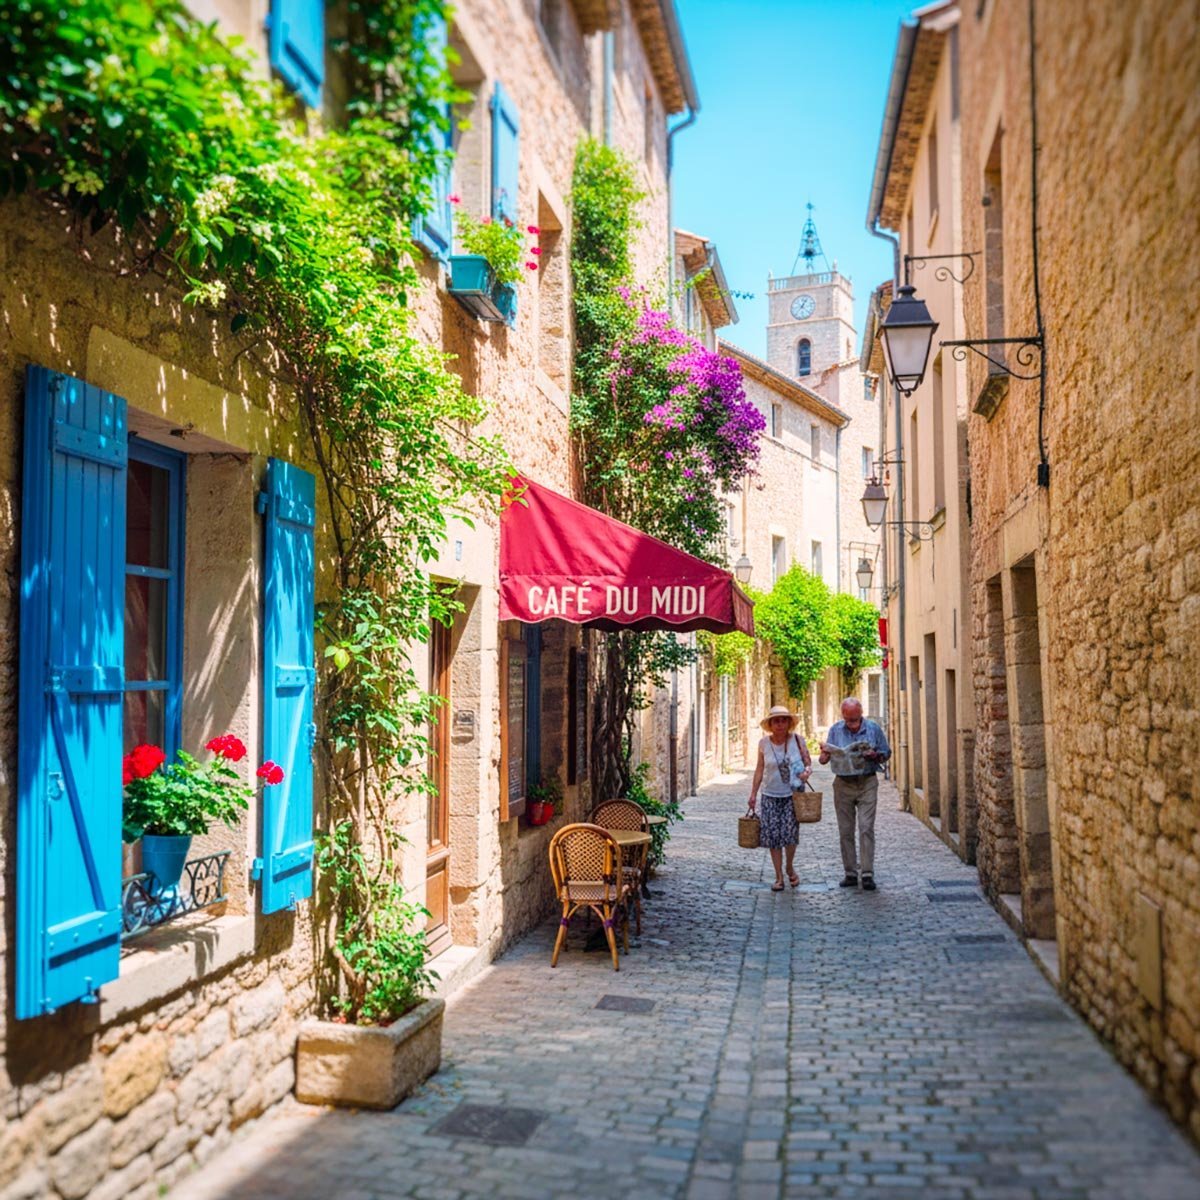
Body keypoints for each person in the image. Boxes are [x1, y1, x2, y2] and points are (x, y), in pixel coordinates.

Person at [819, 697, 891, 891]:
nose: (852, 724)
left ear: (861, 714)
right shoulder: (835, 730)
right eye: (849, 720)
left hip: (867, 781)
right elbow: (824, 760)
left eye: (856, 720)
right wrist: (825, 754)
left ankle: (867, 873)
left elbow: (886, 752)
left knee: (866, 827)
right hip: (843, 784)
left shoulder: (873, 729)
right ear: (843, 715)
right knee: (845, 830)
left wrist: (875, 755)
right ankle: (850, 872)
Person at [748, 705, 812, 891]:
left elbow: (808, 764)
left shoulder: (798, 741)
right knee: (773, 837)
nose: (780, 724)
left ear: (789, 723)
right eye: (776, 720)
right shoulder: (763, 744)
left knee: (790, 836)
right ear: (770, 724)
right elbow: (760, 769)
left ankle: (789, 866)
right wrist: (753, 793)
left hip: (793, 794)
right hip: (770, 794)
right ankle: (778, 877)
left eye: (784, 720)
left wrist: (807, 773)